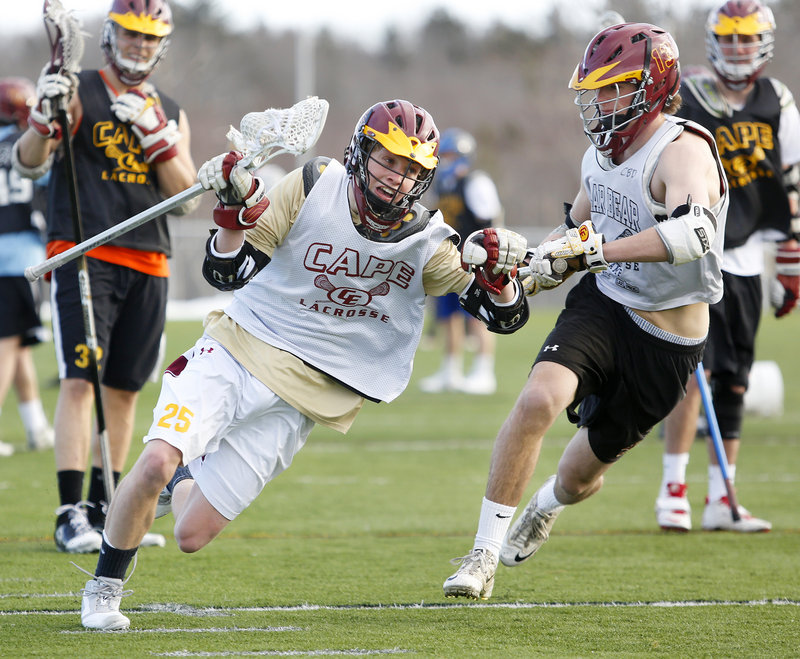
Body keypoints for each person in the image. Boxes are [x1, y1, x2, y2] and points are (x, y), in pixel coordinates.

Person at [74, 99, 530, 629]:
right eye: (389, 160)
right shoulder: (314, 184)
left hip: (304, 399)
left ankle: (179, 483)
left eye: (412, 169)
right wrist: (232, 218)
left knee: (191, 535)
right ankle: (103, 588)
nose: (397, 179)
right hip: (239, 348)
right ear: (361, 152)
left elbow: (505, 318)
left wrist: (499, 281)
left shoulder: (426, 239)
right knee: (154, 461)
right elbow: (228, 272)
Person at [443, 22, 729, 600]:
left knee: (577, 480)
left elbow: (693, 232)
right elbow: (577, 228)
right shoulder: (600, 155)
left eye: (613, 88)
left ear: (651, 86)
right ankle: (482, 554)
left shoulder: (683, 149)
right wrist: (529, 264)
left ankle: (546, 503)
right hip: (607, 303)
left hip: (668, 340)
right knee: (538, 399)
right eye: (594, 89)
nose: (599, 102)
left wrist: (596, 250)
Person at [13, 0, 197, 553]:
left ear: (160, 43)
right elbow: (27, 161)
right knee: (79, 380)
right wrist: (45, 118)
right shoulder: (77, 87)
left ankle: (105, 505)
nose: (139, 45)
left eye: (149, 37)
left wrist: (156, 134)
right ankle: (71, 511)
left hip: (149, 260)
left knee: (123, 390)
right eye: (130, 34)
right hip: (86, 253)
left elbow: (184, 194)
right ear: (111, 35)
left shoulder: (170, 108)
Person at [655, 0, 800, 533]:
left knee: (734, 379)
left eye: (746, 39)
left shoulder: (776, 101)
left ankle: (723, 496)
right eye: (730, 39)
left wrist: (791, 263)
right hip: (698, 249)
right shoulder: (688, 96)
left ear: (762, 42)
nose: (737, 49)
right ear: (715, 40)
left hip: (746, 256)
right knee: (696, 373)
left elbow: (790, 186)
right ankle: (674, 489)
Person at [419, 128, 504, 395]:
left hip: (476, 259)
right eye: (442, 155)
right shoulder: (442, 185)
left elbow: (491, 221)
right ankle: (450, 370)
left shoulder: (476, 182)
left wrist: (490, 260)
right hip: (450, 257)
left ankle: (483, 371)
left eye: (451, 155)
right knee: (448, 317)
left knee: (477, 316)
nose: (446, 160)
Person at [0, 76, 54, 456]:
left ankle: (36, 426)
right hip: (20, 258)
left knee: (17, 343)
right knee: (7, 344)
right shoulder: (27, 146)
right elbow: (49, 178)